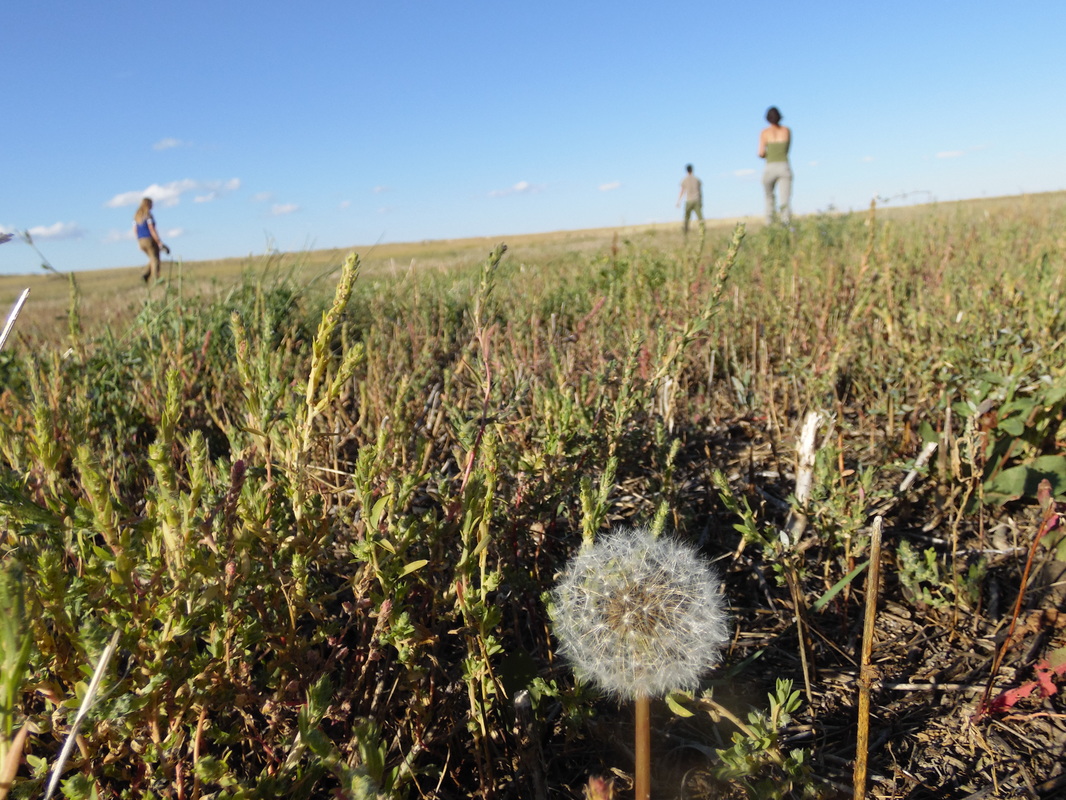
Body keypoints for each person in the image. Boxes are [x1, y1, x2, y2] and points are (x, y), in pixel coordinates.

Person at [758, 106, 792, 226]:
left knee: (769, 198)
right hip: (784, 166)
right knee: (785, 200)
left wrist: (767, 154)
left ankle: (769, 225)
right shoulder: (786, 131)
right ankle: (786, 226)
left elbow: (761, 153)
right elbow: (787, 150)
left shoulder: (764, 132)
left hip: (770, 167)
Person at [133, 197, 169, 282]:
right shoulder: (148, 215)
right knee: (155, 259)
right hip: (149, 239)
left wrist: (138, 241)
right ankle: (156, 278)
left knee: (152, 258)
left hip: (141, 240)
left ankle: (146, 275)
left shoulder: (136, 216)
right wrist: (158, 241)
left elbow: (135, 230)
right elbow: (151, 228)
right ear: (148, 204)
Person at [676, 164, 704, 236]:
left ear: (686, 170)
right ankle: (702, 231)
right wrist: (701, 202)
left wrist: (678, 201)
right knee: (700, 218)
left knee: (686, 218)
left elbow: (682, 191)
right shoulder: (697, 179)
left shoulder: (684, 180)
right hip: (696, 200)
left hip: (689, 201)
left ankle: (685, 231)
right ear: (692, 170)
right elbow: (700, 191)